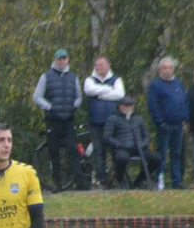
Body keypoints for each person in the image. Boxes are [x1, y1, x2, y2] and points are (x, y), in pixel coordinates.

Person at [32, 50, 85, 191]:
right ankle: (57, 183)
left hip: (68, 119)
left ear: (67, 60)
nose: (61, 61)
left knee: (73, 151)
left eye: (64, 59)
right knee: (54, 152)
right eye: (59, 59)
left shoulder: (73, 77)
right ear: (55, 60)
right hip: (52, 120)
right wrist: (49, 107)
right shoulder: (46, 77)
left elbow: (79, 96)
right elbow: (37, 97)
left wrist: (74, 106)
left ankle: (79, 183)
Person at [147, 57, 189, 190]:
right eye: (165, 68)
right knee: (162, 154)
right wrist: (160, 122)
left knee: (176, 154)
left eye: (170, 68)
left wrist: (185, 120)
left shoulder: (178, 83)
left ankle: (177, 181)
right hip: (164, 125)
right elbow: (153, 105)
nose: (168, 70)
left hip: (178, 125)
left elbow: (184, 101)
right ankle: (160, 180)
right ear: (160, 69)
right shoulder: (155, 85)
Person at [82, 55, 124, 186]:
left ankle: (119, 179)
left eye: (101, 65)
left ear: (108, 66)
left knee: (116, 151)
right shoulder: (90, 79)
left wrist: (98, 94)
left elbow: (119, 94)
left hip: (113, 123)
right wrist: (107, 89)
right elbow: (89, 90)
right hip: (95, 122)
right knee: (99, 153)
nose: (98, 67)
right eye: (97, 65)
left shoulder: (116, 79)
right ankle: (102, 180)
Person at [103, 96, 161, 188]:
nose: (128, 108)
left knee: (156, 159)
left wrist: (144, 144)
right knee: (121, 159)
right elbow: (107, 136)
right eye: (126, 106)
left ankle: (140, 180)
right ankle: (120, 178)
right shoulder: (113, 119)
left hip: (139, 147)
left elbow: (146, 135)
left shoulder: (138, 119)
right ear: (120, 106)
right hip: (122, 147)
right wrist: (118, 145)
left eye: (130, 106)